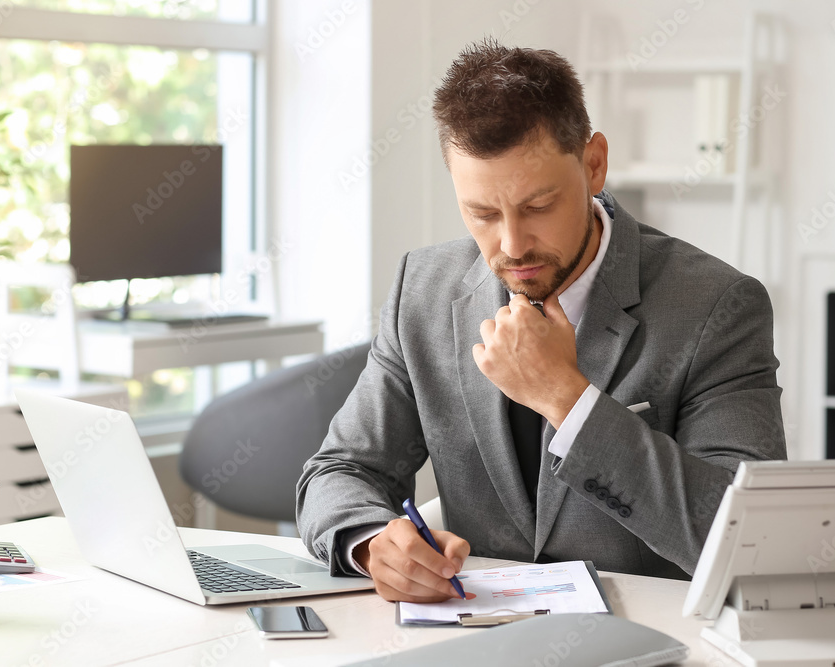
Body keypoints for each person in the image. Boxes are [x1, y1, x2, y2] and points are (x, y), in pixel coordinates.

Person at [297, 39, 786, 604]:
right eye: (482, 213)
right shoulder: (423, 293)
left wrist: (568, 400)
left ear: (594, 164)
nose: (511, 245)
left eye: (537, 206)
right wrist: (371, 542)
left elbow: (749, 538)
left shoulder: (716, 306)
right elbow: (340, 471)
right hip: (473, 640)